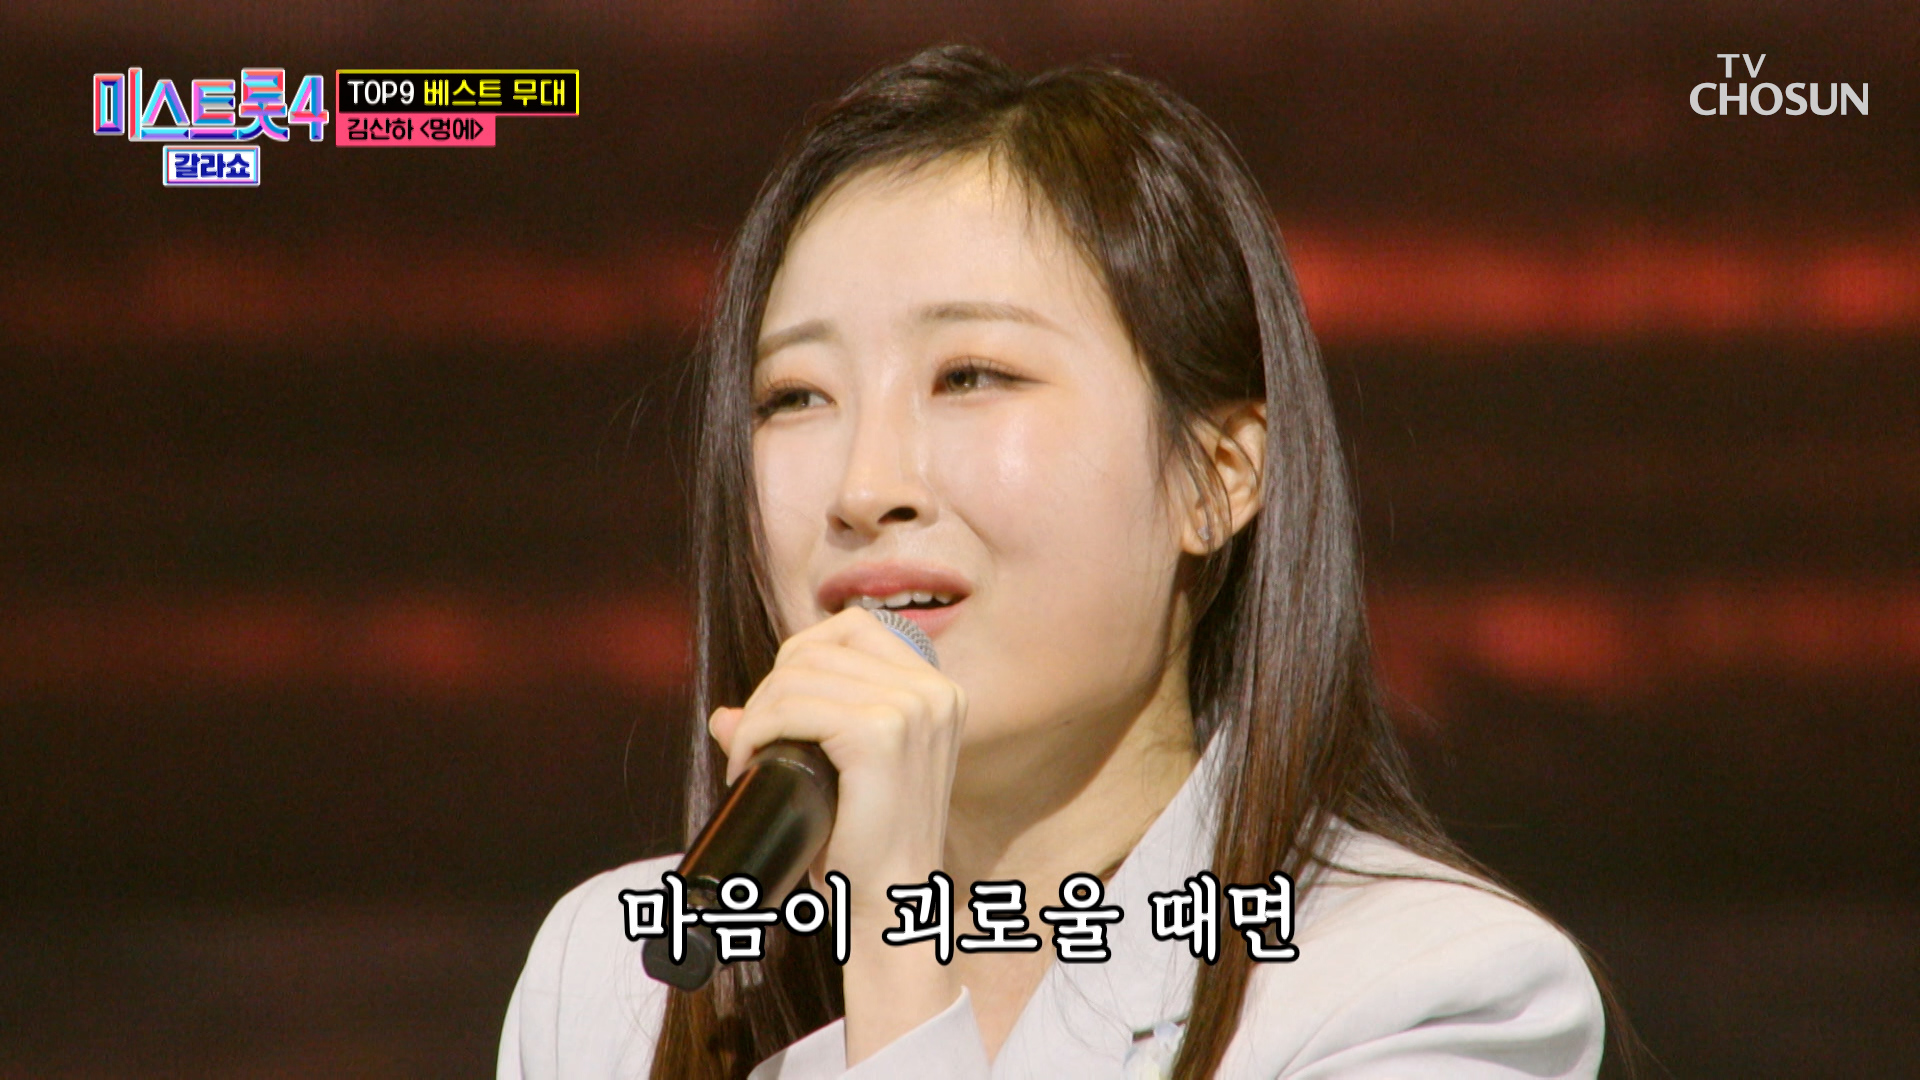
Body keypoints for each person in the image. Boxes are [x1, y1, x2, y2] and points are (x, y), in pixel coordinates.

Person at [499, 44, 1609, 1079]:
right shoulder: (613, 979)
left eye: (971, 376)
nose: (862, 487)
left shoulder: (1422, 987)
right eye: (794, 396)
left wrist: (898, 948)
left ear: (1217, 475)